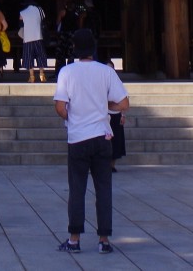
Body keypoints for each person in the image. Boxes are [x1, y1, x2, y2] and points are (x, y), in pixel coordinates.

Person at [53, 28, 129, 255]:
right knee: (103, 189)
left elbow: (59, 106)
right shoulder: (106, 71)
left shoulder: (67, 72)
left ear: (75, 49)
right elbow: (124, 103)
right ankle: (104, 239)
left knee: (77, 189)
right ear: (93, 48)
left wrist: (73, 118)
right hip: (102, 136)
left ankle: (74, 239)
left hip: (78, 137)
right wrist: (107, 108)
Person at [19, 0, 47, 83]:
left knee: (28, 57)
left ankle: (32, 76)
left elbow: (20, 21)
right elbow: (43, 18)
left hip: (28, 37)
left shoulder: (23, 12)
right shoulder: (40, 10)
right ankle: (42, 75)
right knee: (40, 55)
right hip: (38, 36)